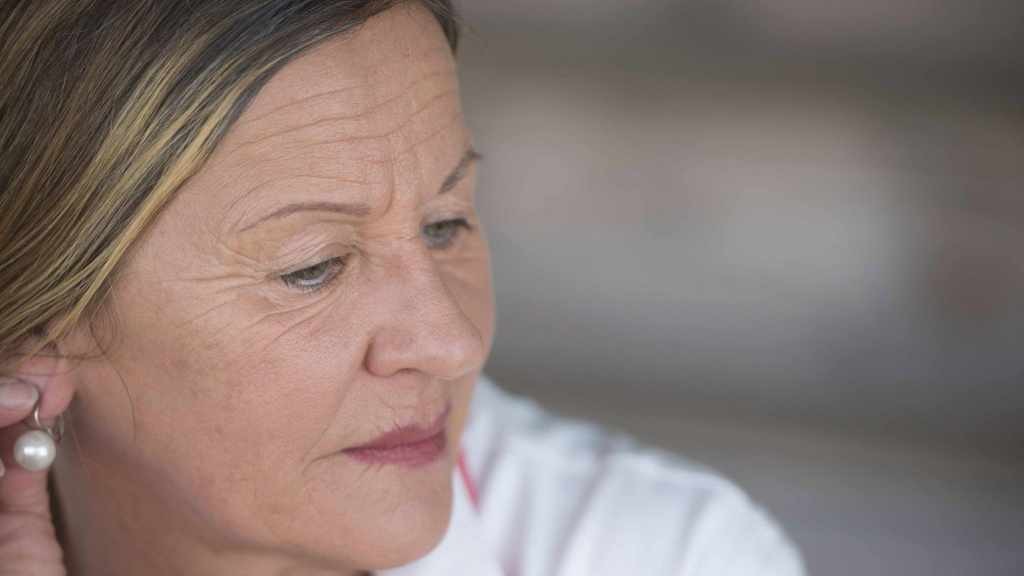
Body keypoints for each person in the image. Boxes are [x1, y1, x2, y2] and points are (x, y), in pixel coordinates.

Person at [0, 1, 805, 574]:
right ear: (38, 322)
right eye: (312, 267)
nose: (454, 344)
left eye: (446, 223)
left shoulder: (660, 552)